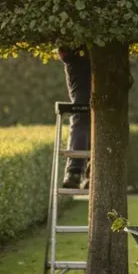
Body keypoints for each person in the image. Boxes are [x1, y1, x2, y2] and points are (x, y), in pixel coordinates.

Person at [58, 47, 90, 189]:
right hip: (81, 61)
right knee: (85, 118)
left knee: (81, 118)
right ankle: (85, 172)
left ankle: (76, 172)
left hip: (79, 62)